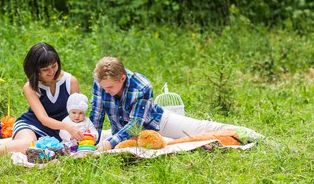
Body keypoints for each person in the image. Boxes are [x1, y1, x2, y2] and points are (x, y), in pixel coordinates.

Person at [90, 56, 257, 151]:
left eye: (110, 87)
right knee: (183, 145)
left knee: (199, 129)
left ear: (123, 78)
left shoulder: (142, 86)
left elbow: (136, 124)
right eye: (104, 88)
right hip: (125, 133)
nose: (106, 91)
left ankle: (246, 134)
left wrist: (110, 142)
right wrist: (91, 142)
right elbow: (96, 115)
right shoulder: (101, 82)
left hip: (156, 122)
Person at [0, 42, 84, 155]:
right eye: (45, 69)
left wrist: (74, 128)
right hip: (32, 124)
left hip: (60, 131)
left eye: (54, 66)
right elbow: (43, 119)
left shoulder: (70, 81)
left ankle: (2, 148)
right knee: (28, 143)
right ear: (36, 70)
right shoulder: (30, 87)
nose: (52, 71)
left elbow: (77, 111)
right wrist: (67, 127)